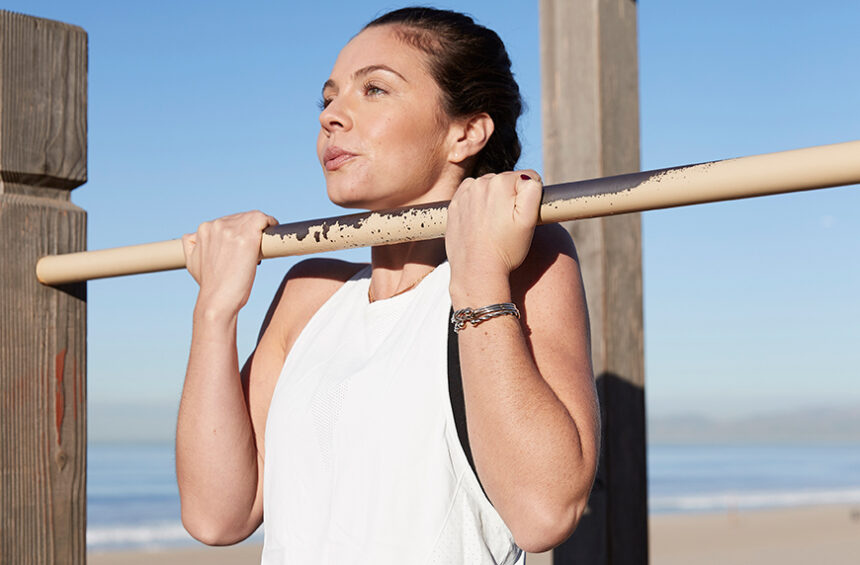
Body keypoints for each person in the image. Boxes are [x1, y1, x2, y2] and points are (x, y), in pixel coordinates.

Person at [175, 7, 599, 564]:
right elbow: (216, 514)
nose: (332, 116)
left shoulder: (525, 264)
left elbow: (543, 512)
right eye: (327, 98)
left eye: (374, 89)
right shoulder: (309, 293)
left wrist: (478, 277)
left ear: (465, 131)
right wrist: (215, 312)